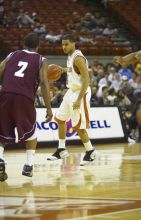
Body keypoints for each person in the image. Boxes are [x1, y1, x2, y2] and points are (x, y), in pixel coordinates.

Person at [0, 32, 53, 182]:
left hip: (5, 94)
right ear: (38, 46)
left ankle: (0, 160)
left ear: (24, 43)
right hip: (24, 98)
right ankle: (28, 165)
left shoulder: (12, 54)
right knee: (32, 131)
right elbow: (43, 82)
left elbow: (0, 69)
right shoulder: (41, 59)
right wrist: (48, 108)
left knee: (1, 129)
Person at [47, 34, 97, 166]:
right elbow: (75, 71)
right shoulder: (70, 56)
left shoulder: (78, 58)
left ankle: (90, 151)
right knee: (60, 119)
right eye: (62, 44)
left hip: (81, 92)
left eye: (66, 44)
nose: (63, 47)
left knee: (79, 126)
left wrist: (79, 99)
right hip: (71, 91)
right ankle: (61, 149)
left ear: (73, 44)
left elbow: (87, 79)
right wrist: (65, 69)